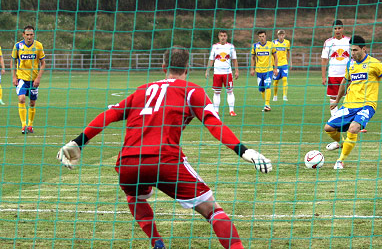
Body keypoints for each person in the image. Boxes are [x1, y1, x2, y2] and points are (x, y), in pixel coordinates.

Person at [57, 46, 273, 249]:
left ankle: (157, 243)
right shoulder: (192, 90)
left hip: (128, 163)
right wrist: (244, 151)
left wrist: (78, 142)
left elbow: (110, 114)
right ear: (187, 69)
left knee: (135, 196)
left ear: (163, 67)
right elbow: (213, 124)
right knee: (212, 210)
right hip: (165, 160)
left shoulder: (142, 90)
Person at [323, 35, 382, 170]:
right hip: (349, 105)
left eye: (355, 50)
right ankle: (343, 143)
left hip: (367, 105)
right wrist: (337, 100)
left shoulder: (374, 64)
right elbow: (344, 83)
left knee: (354, 128)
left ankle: (340, 160)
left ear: (363, 49)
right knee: (328, 128)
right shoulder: (350, 64)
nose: (352, 53)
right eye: (351, 50)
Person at [11, 26, 46, 134]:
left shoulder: (38, 46)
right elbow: (13, 61)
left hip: (33, 79)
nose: (29, 37)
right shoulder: (18, 46)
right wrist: (14, 76)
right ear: (23, 35)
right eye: (27, 35)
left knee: (32, 103)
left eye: (31, 35)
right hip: (21, 78)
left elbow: (43, 63)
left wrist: (38, 78)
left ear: (33, 35)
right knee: (21, 99)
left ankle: (30, 125)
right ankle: (23, 125)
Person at [205, 30, 239, 116]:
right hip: (217, 73)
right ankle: (216, 111)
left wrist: (236, 71)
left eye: (224, 36)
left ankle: (231, 110)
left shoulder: (230, 46)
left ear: (226, 37)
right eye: (221, 36)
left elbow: (234, 60)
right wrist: (207, 71)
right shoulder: (214, 47)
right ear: (218, 37)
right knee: (216, 92)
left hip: (228, 73)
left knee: (230, 91)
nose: (223, 37)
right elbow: (211, 59)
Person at [321, 20, 351, 116]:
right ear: (333, 30)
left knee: (349, 97)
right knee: (333, 98)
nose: (337, 30)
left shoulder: (349, 41)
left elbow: (354, 57)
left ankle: (349, 117)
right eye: (335, 28)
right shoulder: (328, 42)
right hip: (333, 75)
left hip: (346, 75)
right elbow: (324, 59)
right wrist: (323, 77)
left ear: (343, 28)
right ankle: (334, 117)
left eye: (339, 28)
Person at [250, 30, 278, 112]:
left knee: (268, 86)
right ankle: (266, 104)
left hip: (268, 70)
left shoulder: (271, 45)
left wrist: (275, 68)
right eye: (260, 36)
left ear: (265, 36)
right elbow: (252, 58)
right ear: (258, 37)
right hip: (259, 71)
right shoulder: (255, 46)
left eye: (263, 36)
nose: (262, 38)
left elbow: (275, 56)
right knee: (262, 89)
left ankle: (267, 104)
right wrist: (252, 69)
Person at [272, 29, 291, 102]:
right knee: (276, 81)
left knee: (285, 79)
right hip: (276, 65)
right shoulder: (274, 42)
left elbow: (288, 52)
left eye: (282, 35)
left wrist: (290, 62)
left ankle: (284, 95)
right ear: (278, 35)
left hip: (284, 63)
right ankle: (275, 95)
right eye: (280, 35)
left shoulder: (287, 42)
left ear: (284, 35)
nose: (281, 36)